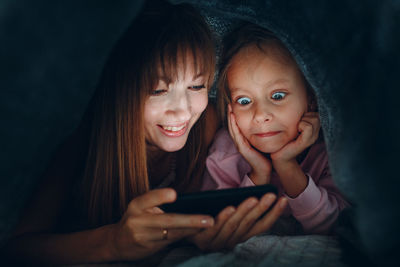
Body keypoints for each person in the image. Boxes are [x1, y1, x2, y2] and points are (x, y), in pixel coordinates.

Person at [3, 2, 287, 265]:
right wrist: (115, 242)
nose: (183, 111)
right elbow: (17, 248)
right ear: (122, 92)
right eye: (158, 90)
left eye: (197, 86)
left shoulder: (206, 122)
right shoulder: (80, 140)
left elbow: (181, 219)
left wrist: (196, 233)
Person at [202, 22, 350, 234]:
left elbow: (334, 226)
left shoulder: (330, 155)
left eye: (278, 96)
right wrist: (258, 174)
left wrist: (287, 165)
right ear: (230, 109)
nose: (261, 115)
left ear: (311, 99)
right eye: (244, 101)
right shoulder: (224, 153)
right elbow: (219, 226)